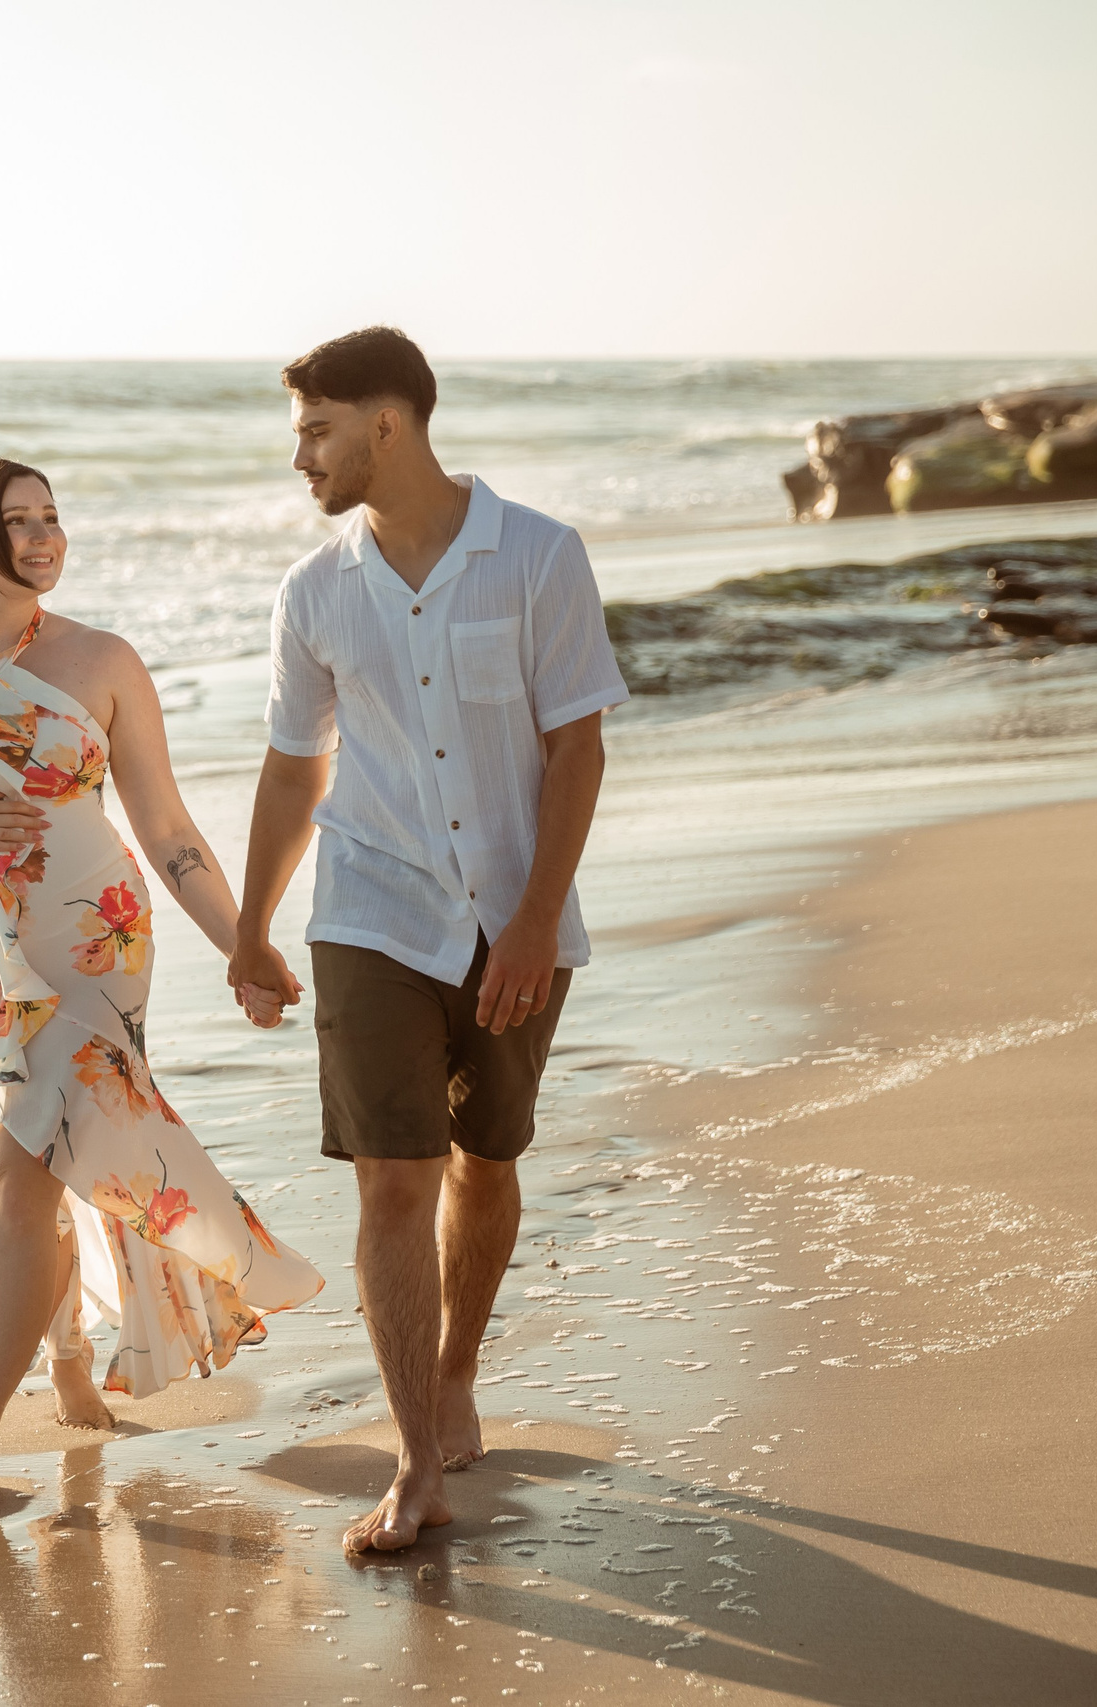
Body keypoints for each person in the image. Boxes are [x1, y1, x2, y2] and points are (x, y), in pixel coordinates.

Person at [0, 457, 323, 1525]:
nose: (45, 537)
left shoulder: (102, 660)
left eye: (52, 518)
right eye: (17, 521)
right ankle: (61, 1354)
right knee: (12, 1174)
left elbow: (165, 826)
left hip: (87, 949)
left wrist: (243, 942)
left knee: (18, 1170)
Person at [226, 327, 630, 1554]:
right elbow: (296, 772)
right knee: (392, 1180)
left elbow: (577, 748)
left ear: (384, 425)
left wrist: (526, 922)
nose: (300, 456)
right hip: (370, 911)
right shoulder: (314, 590)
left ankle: (457, 1367)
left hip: (516, 914)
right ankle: (413, 1462)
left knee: (485, 1160)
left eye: (316, 430)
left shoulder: (538, 558)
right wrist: (248, 927)